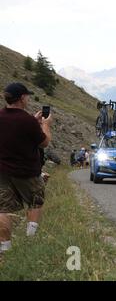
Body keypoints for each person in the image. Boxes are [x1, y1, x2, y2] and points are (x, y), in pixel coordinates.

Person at [0, 83, 53, 253]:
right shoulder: (27, 121)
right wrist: (45, 124)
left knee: (3, 208)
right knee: (35, 202)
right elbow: (44, 143)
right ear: (22, 98)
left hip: (2, 172)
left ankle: (4, 247)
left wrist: (32, 120)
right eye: (27, 96)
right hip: (26, 172)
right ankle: (31, 239)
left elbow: (12, 130)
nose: (28, 98)